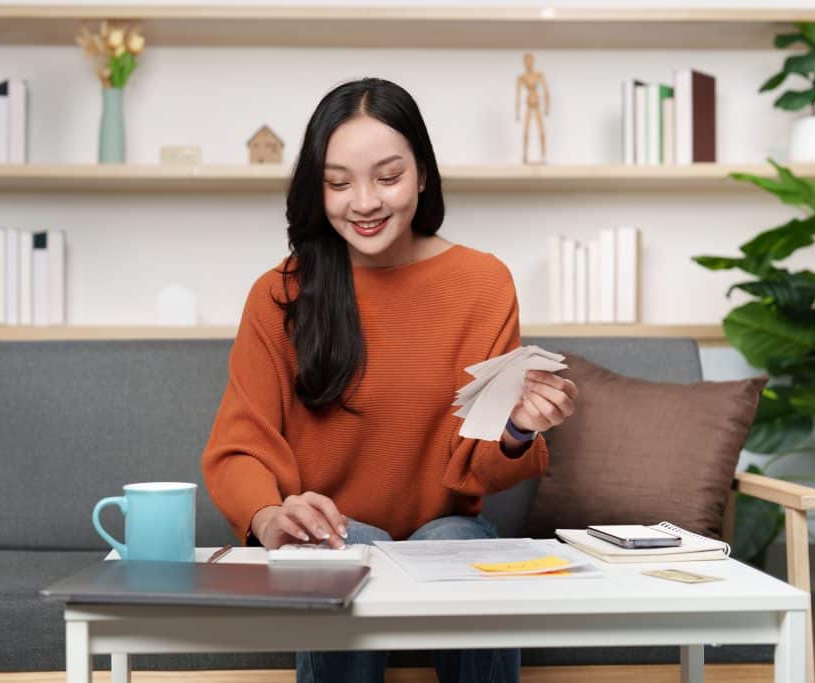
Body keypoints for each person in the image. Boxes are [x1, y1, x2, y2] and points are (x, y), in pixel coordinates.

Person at [202, 77, 578, 683]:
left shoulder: (483, 283)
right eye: (339, 182)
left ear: (423, 175)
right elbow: (239, 442)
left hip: (448, 529)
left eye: (388, 176)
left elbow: (478, 461)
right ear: (317, 188)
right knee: (349, 544)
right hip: (332, 531)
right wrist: (268, 516)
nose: (365, 202)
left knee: (454, 537)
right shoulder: (280, 293)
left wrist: (517, 427)